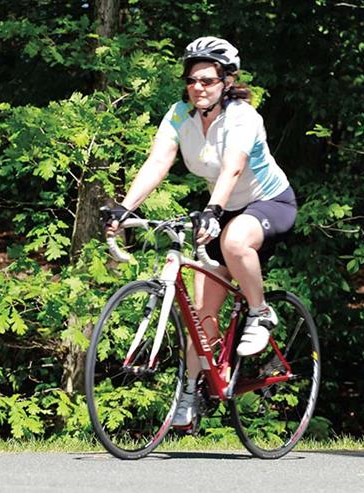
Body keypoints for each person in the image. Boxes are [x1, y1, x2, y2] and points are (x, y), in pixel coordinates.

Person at [104, 36, 297, 428]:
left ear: (227, 81)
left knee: (234, 240)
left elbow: (234, 168)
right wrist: (126, 208)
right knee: (201, 315)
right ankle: (190, 392)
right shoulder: (179, 115)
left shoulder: (243, 117)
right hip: (222, 208)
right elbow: (158, 162)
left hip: (268, 204)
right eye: (192, 80)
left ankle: (261, 313)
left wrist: (212, 210)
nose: (198, 88)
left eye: (208, 80)